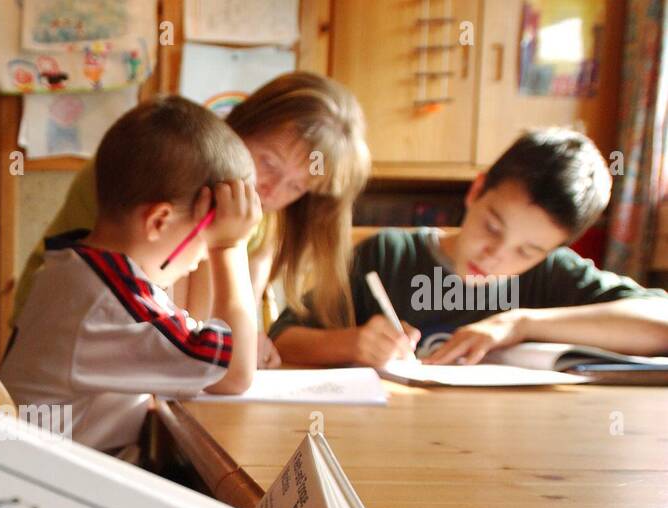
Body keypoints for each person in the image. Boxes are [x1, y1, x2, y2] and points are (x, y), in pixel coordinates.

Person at [11, 72, 373, 370]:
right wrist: (227, 245)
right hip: (58, 347)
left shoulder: (262, 216)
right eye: (269, 163)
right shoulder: (161, 178)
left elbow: (229, 329)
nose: (271, 190)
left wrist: (251, 338)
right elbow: (211, 347)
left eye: (297, 186)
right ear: (240, 127)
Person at [0, 97, 262, 457]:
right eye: (208, 234)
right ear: (159, 222)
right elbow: (233, 374)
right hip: (58, 494)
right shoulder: (110, 300)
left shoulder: (78, 269)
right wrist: (230, 247)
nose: (202, 256)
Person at [270, 128, 668, 366]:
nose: (497, 255)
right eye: (493, 227)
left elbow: (660, 320)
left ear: (551, 250)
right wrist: (351, 343)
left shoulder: (550, 274)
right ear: (477, 189)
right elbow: (282, 338)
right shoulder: (387, 256)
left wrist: (518, 323)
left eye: (527, 251)